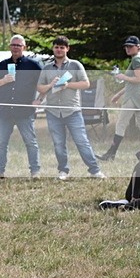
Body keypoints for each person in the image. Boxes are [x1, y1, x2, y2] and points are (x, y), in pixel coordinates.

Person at [36, 35, 106, 180]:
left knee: (82, 141)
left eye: (62, 47)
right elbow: (40, 88)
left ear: (67, 49)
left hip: (72, 111)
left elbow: (85, 84)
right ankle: (63, 171)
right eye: (56, 47)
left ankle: (95, 170)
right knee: (58, 143)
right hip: (53, 112)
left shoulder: (75, 65)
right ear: (53, 49)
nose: (59, 50)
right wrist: (50, 85)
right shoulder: (47, 68)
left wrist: (67, 85)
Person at [0, 34, 43, 178]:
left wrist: (40, 100)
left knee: (30, 142)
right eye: (13, 45)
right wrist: (3, 81)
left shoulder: (33, 66)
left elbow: (43, 85)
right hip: (5, 112)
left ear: (24, 47)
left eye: (18, 45)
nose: (15, 48)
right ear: (10, 47)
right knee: (1, 143)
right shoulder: (2, 65)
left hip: (24, 112)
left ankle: (35, 171)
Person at [97, 36, 140, 161]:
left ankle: (111, 154)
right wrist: (119, 94)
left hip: (133, 98)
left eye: (130, 46)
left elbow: (139, 79)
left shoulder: (137, 60)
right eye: (126, 46)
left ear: (138, 47)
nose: (127, 48)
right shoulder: (139, 58)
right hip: (138, 96)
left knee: (121, 124)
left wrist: (123, 76)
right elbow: (135, 83)